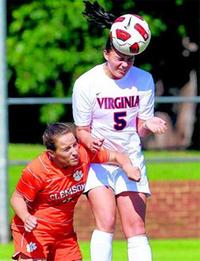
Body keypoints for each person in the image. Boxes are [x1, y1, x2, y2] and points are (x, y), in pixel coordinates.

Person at [72, 2, 167, 261]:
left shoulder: (143, 80)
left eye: (130, 59)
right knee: (106, 220)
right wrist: (91, 140)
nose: (125, 65)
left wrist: (149, 124)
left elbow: (139, 129)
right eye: (119, 58)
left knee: (135, 228)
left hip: (131, 160)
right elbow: (81, 131)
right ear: (106, 53)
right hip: (99, 161)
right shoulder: (86, 83)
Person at [10, 122, 141, 261]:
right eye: (66, 149)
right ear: (51, 153)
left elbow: (116, 156)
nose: (74, 152)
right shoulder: (37, 169)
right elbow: (17, 198)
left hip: (64, 234)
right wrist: (26, 217)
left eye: (75, 145)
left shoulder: (83, 155)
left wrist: (128, 167)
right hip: (35, 231)